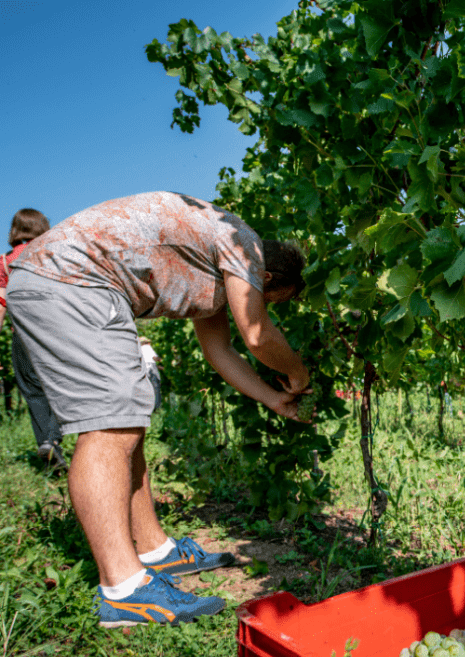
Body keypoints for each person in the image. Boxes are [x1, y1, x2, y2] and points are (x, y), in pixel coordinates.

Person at [7, 191, 311, 628]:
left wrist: (270, 395)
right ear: (262, 275)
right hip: (71, 280)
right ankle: (124, 589)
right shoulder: (242, 242)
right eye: (272, 299)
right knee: (110, 429)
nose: (265, 306)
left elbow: (221, 352)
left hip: (72, 280)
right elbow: (257, 334)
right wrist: (297, 375)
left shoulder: (215, 268)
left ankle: (155, 552)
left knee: (127, 422)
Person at [2, 209, 68, 472]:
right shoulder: (54, 254)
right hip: (54, 331)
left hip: (21, 336)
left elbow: (1, 302)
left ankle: (47, 445)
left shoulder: (4, 262)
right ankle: (53, 439)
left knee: (32, 392)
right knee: (63, 385)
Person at [138, 336, 162, 411]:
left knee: (146, 388)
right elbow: (154, 359)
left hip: (143, 368)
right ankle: (156, 407)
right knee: (156, 386)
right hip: (151, 368)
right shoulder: (147, 347)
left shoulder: (138, 349)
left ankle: (147, 407)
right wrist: (162, 360)